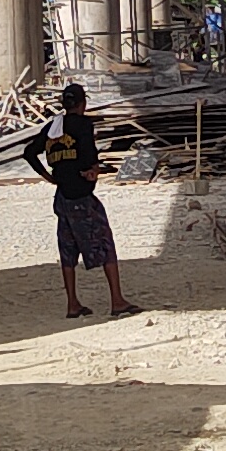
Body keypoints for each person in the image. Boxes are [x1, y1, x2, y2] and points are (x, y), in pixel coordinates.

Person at [39, 81, 139, 319]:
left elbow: (28, 152)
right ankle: (117, 300)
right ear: (83, 104)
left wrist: (48, 176)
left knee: (67, 250)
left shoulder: (54, 127)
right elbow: (88, 154)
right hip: (82, 196)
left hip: (62, 196)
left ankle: (72, 303)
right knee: (105, 243)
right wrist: (92, 170)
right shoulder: (83, 125)